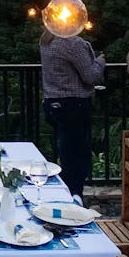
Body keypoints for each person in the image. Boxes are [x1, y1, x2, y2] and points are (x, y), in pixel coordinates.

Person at [40, 30, 105, 201]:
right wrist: (99, 63)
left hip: (53, 102)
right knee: (77, 154)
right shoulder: (73, 43)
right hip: (74, 104)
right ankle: (74, 195)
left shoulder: (46, 39)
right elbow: (91, 77)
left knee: (65, 150)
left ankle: (66, 193)